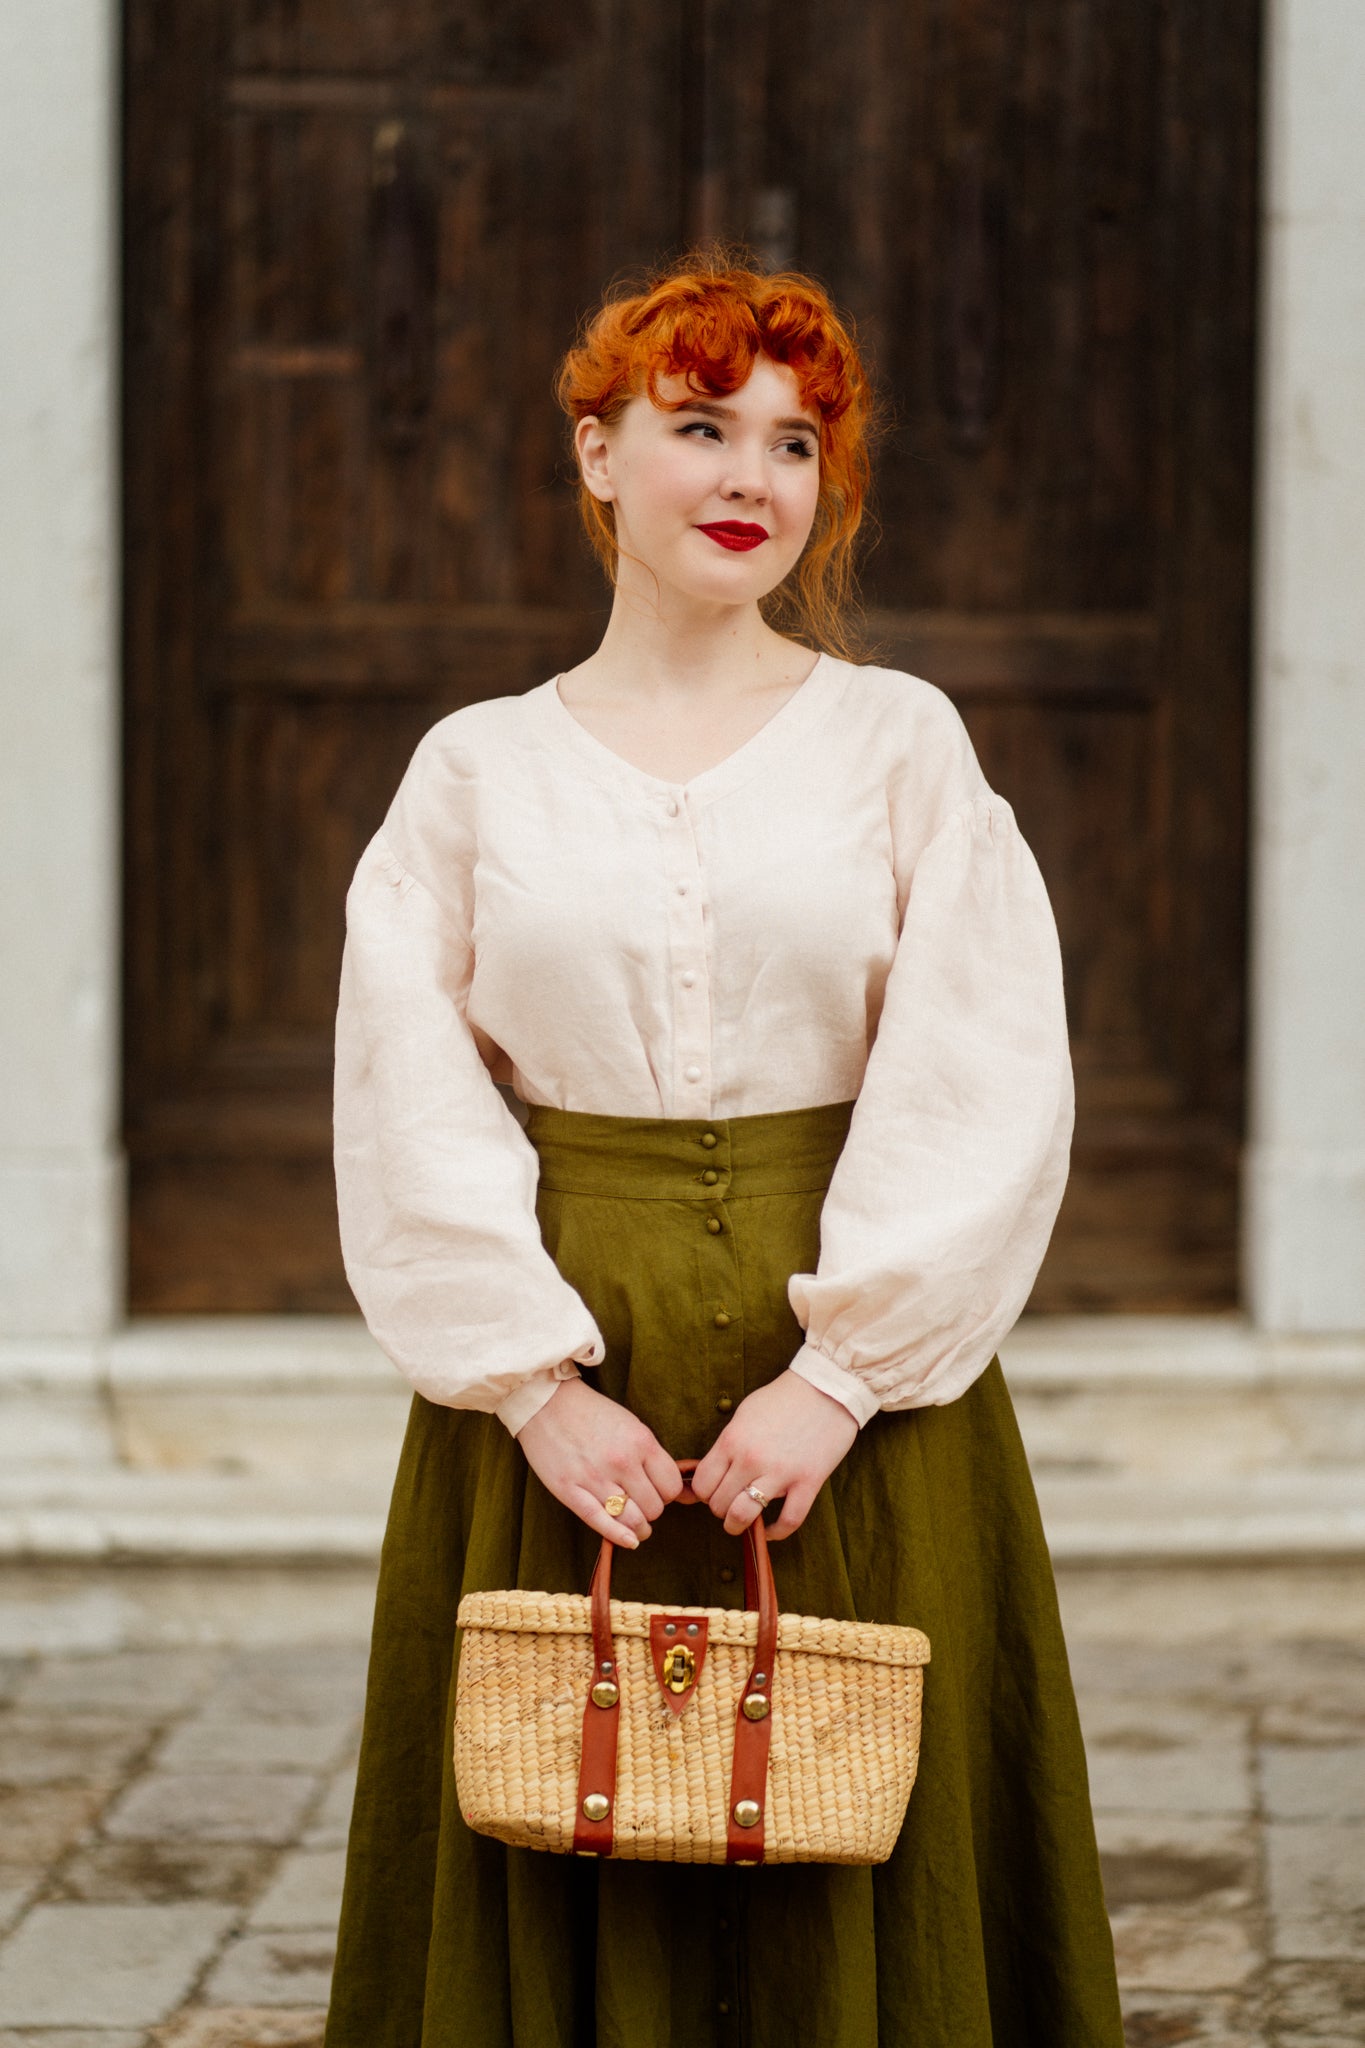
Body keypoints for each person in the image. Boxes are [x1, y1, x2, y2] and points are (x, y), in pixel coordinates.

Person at [323, 250, 1125, 2048]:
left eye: (792, 438)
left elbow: (984, 1060)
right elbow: (407, 1090)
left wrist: (840, 1379)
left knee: (858, 1822)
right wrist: (533, 1389)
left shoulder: (897, 742)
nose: (752, 475)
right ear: (597, 455)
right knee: (556, 1801)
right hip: (571, 1347)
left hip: (844, 1366)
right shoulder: (474, 773)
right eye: (698, 427)